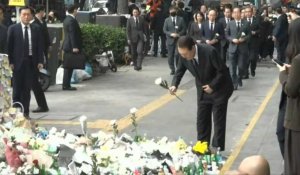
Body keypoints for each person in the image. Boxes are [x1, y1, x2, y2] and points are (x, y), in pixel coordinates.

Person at [169, 36, 233, 151]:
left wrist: (212, 86)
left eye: (185, 54)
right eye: (181, 54)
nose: (183, 57)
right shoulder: (183, 55)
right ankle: (202, 145)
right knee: (202, 118)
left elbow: (222, 71)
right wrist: (174, 85)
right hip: (203, 88)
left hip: (220, 88)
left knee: (218, 119)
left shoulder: (209, 51)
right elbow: (179, 70)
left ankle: (216, 148)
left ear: (193, 47)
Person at [7, 6, 44, 118]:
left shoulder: (36, 28)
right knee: (17, 89)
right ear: (20, 15)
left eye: (28, 14)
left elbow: (40, 46)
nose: (26, 17)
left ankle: (26, 113)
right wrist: (10, 62)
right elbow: (9, 47)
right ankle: (16, 113)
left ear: (32, 16)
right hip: (17, 64)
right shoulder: (13, 29)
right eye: (24, 14)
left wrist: (40, 61)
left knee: (27, 90)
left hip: (31, 63)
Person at [278, 18, 300, 175]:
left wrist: (283, 75)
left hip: (296, 119)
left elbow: (291, 90)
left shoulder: (298, 60)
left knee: (294, 163)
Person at [225, 7, 250, 90]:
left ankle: (239, 77)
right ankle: (234, 82)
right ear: (232, 14)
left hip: (242, 49)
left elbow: (249, 35)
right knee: (232, 67)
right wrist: (232, 39)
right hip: (232, 48)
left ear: (240, 13)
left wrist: (244, 39)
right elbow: (226, 35)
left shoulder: (246, 23)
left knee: (241, 66)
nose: (236, 14)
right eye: (234, 12)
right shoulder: (230, 23)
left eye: (237, 12)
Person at [31, 5, 50, 113]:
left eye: (28, 14)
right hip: (24, 60)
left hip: (36, 57)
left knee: (34, 83)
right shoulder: (32, 25)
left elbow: (41, 40)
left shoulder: (38, 25)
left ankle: (42, 105)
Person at [62, 4, 82, 90]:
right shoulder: (71, 20)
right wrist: (74, 46)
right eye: (77, 9)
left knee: (68, 66)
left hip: (68, 46)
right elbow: (72, 34)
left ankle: (66, 84)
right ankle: (66, 85)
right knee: (68, 67)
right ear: (74, 10)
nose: (77, 11)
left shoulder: (67, 19)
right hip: (70, 46)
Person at [163, 6, 186, 75]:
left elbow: (184, 29)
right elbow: (164, 30)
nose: (173, 12)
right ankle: (172, 69)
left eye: (174, 11)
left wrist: (178, 34)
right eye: (171, 11)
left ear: (176, 11)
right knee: (170, 55)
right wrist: (171, 34)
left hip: (178, 40)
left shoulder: (181, 19)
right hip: (170, 40)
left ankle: (178, 68)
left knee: (177, 54)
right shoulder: (167, 20)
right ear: (169, 12)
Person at [245, 6, 260, 78]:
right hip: (245, 43)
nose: (248, 13)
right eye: (246, 12)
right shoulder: (243, 21)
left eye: (249, 12)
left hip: (254, 43)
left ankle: (252, 69)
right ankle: (246, 71)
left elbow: (261, 30)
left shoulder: (256, 20)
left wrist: (256, 32)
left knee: (253, 58)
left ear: (252, 12)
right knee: (246, 58)